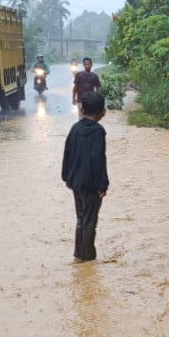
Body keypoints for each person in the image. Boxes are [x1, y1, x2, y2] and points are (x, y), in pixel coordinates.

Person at [61, 91, 109, 263]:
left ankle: (78, 255)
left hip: (76, 183)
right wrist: (102, 185)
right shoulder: (98, 132)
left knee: (81, 218)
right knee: (89, 221)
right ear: (103, 112)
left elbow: (67, 152)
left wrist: (66, 176)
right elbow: (98, 159)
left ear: (81, 110)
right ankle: (88, 258)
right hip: (91, 185)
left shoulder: (75, 129)